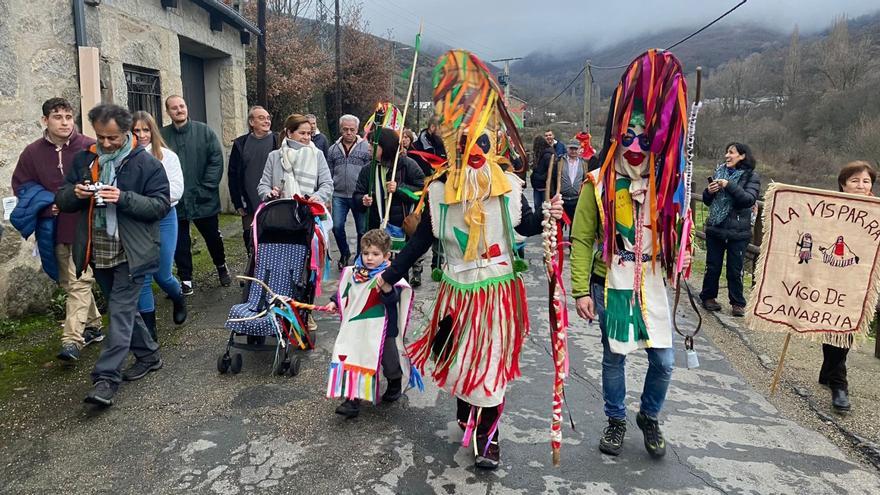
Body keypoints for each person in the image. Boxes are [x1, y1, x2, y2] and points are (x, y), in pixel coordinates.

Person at [378, 49, 563, 470]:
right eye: (465, 144)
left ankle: (489, 438)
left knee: (492, 366)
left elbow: (526, 226)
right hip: (457, 294)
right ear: (452, 148)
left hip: (499, 293)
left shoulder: (509, 187)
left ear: (492, 143)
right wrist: (389, 275)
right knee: (461, 362)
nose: (475, 151)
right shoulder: (440, 192)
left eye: (482, 142)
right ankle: (467, 411)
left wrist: (549, 217)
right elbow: (420, 241)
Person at [571, 49, 692, 460]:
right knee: (614, 356)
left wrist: (682, 252)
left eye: (645, 136)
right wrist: (580, 291)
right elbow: (583, 238)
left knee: (665, 361)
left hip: (654, 282)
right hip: (612, 282)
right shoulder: (597, 183)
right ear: (616, 138)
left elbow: (678, 236)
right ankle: (617, 418)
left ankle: (649, 416)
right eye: (628, 137)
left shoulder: (668, 185)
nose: (636, 145)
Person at [56, 104, 170, 406]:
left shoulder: (147, 165)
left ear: (128, 133)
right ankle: (149, 355)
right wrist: (75, 194)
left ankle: (106, 379)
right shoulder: (84, 159)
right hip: (97, 249)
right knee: (125, 311)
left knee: (118, 314)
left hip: (131, 252)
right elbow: (63, 198)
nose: (105, 144)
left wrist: (124, 197)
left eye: (113, 138)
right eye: (100, 137)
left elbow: (160, 206)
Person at [11, 97, 103, 362]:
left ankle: (72, 340)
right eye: (57, 117)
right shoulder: (32, 153)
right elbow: (23, 187)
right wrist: (44, 206)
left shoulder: (88, 147)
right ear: (45, 121)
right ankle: (95, 326)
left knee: (80, 281)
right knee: (68, 282)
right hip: (52, 229)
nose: (64, 122)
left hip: (83, 227)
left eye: (68, 117)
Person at [326, 229, 414, 418]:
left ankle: (394, 380)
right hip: (357, 327)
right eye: (365, 253)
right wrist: (335, 301)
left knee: (388, 361)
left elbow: (393, 300)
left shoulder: (390, 275)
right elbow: (346, 289)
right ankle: (352, 399)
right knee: (355, 356)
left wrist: (387, 290)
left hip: (384, 328)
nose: (369, 258)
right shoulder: (354, 272)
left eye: (375, 254)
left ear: (386, 255)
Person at [818, 160, 876, 413]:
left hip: (861, 282)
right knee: (829, 321)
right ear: (843, 184)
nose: (861, 186)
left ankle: (834, 378)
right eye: (855, 181)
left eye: (866, 181)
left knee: (846, 327)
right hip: (830, 276)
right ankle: (837, 381)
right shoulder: (830, 209)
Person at [160, 95, 229, 295]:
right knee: (180, 242)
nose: (179, 110)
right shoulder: (163, 136)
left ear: (187, 107)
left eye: (182, 106)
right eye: (174, 108)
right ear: (168, 112)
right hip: (175, 201)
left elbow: (216, 160)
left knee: (212, 237)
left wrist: (206, 188)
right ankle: (186, 279)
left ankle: (221, 266)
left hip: (203, 198)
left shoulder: (204, 131)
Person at [131, 111, 188, 339]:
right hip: (137, 223)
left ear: (153, 131)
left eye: (146, 130)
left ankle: (178, 297)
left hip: (164, 218)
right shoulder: (125, 158)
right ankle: (150, 333)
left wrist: (143, 200)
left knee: (162, 274)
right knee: (143, 276)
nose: (142, 135)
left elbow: (175, 191)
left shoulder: (167, 157)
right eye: (136, 130)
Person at [699, 142, 761, 317]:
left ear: (742, 156)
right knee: (712, 266)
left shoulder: (751, 177)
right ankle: (708, 297)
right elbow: (707, 200)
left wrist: (728, 185)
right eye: (726, 152)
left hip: (738, 231)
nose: (727, 155)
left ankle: (737, 303)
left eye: (731, 152)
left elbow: (748, 200)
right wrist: (709, 192)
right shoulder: (719, 172)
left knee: (735, 268)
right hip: (716, 227)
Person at [352, 127, 424, 233]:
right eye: (370, 144)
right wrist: (363, 200)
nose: (369, 148)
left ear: (386, 146)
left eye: (373, 144)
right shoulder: (368, 169)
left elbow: (422, 192)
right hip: (376, 227)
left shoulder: (407, 164)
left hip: (404, 226)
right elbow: (357, 194)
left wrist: (399, 188)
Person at [228, 106, 280, 252]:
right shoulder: (240, 144)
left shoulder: (278, 140)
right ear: (252, 122)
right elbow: (233, 175)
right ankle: (254, 268)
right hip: (249, 202)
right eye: (261, 118)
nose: (266, 121)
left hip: (274, 201)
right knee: (250, 238)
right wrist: (237, 202)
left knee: (274, 236)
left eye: (268, 118)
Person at [326, 114, 371, 270]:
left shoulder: (366, 148)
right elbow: (328, 172)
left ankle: (360, 257)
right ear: (340, 129)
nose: (349, 133)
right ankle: (344, 253)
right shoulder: (333, 149)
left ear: (357, 130)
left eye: (352, 129)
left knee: (362, 229)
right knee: (337, 226)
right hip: (339, 194)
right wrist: (328, 195)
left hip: (358, 194)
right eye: (345, 129)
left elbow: (369, 172)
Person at [258, 113, 334, 205]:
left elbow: (327, 184)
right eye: (302, 133)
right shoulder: (274, 156)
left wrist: (317, 197)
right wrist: (269, 194)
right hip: (281, 211)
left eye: (309, 133)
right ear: (289, 133)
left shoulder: (318, 155)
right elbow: (263, 185)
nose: (306, 137)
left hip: (309, 212)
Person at [556, 139, 588, 229]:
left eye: (575, 149)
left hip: (577, 200)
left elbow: (585, 179)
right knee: (558, 226)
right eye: (571, 149)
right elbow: (555, 178)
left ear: (579, 149)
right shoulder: (560, 161)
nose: (573, 151)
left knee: (575, 226)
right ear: (567, 149)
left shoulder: (583, 163)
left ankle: (573, 242)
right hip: (562, 200)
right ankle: (559, 242)